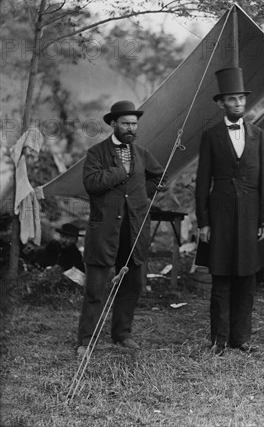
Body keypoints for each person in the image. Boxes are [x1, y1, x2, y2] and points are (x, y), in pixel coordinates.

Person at [77, 100, 164, 357]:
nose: (130, 128)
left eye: (134, 124)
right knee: (96, 287)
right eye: (125, 123)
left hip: (134, 229)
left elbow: (159, 176)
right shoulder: (96, 153)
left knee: (132, 284)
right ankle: (86, 340)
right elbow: (91, 183)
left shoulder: (142, 153)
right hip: (104, 231)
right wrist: (120, 172)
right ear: (113, 124)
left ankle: (122, 334)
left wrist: (140, 196)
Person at [195, 67, 264, 356]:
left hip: (251, 217)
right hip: (221, 216)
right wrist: (204, 222)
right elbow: (203, 181)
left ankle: (242, 337)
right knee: (221, 279)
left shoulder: (259, 135)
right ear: (221, 103)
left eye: (241, 98)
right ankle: (219, 339)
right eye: (232, 99)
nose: (238, 104)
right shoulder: (211, 136)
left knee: (247, 280)